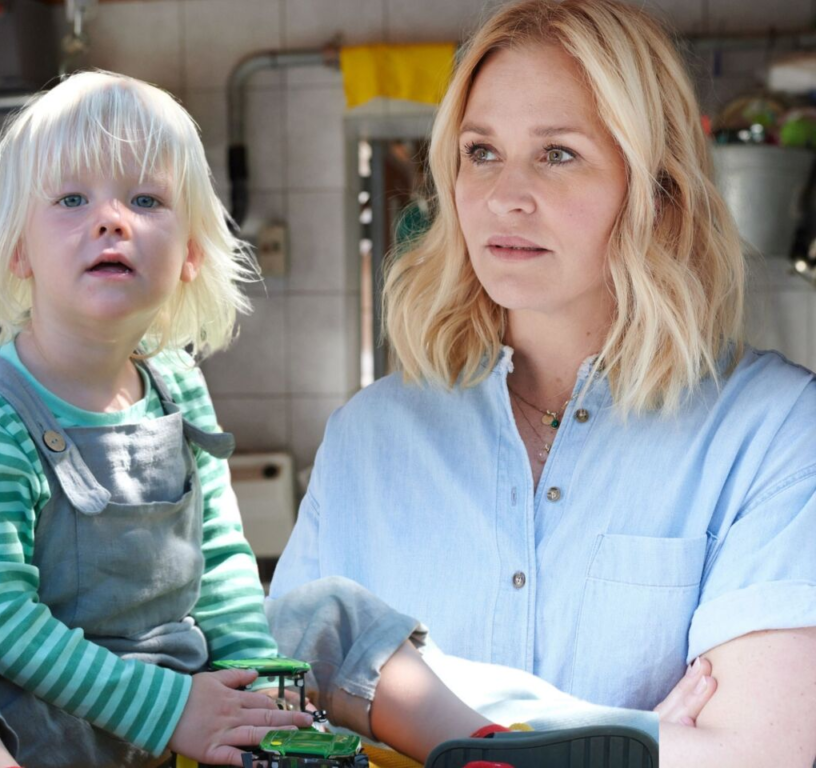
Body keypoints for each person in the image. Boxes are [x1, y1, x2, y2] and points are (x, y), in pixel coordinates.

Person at [0, 70, 548, 768]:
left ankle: (486, 750)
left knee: (330, 610)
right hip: (28, 712)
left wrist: (257, 695)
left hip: (179, 682)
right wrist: (170, 710)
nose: (111, 218)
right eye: (71, 199)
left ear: (191, 252)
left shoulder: (175, 386)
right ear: (17, 252)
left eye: (145, 199)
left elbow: (222, 559)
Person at [269, 1, 816, 766]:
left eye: (557, 153)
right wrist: (615, 742)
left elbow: (763, 754)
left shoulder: (775, 429)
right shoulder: (368, 437)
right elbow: (286, 716)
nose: (504, 196)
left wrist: (417, 714)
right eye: (481, 152)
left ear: (656, 186)